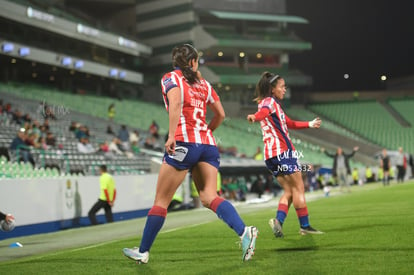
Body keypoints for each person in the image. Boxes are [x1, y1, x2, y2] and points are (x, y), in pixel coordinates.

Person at [123, 44, 258, 264]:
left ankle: (143, 251)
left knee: (161, 201)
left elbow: (176, 103)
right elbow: (221, 115)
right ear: (193, 62)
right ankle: (245, 232)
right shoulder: (205, 84)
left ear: (175, 62)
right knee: (209, 197)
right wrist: (206, 132)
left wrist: (172, 135)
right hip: (208, 146)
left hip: (184, 143)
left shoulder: (170, 78)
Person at [246, 72, 323, 238]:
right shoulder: (269, 103)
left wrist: (309, 123)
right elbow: (263, 113)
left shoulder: (273, 105)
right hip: (282, 152)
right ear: (273, 89)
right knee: (299, 187)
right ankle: (305, 226)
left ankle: (278, 221)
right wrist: (255, 117)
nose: (285, 89)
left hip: (271, 156)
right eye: (282, 86)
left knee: (289, 190)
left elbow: (290, 123)